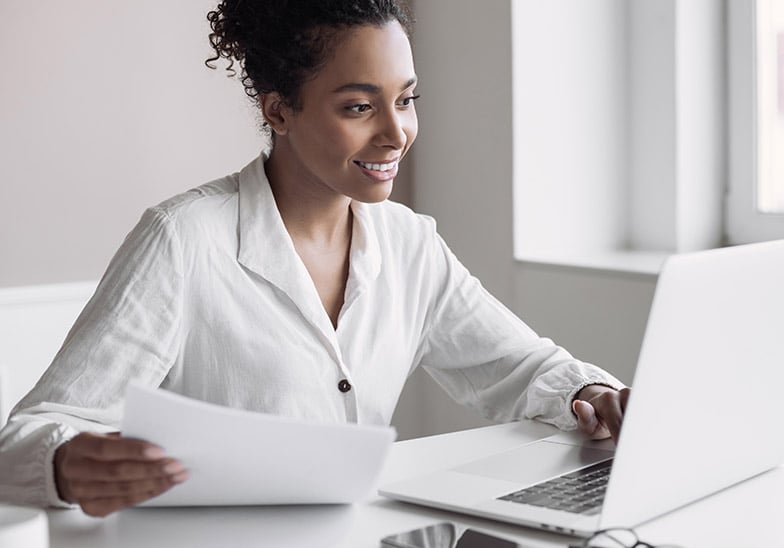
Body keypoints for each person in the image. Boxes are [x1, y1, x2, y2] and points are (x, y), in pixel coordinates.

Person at [0, 0, 628, 517]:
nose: (396, 132)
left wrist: (593, 391)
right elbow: (29, 434)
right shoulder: (183, 239)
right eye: (359, 107)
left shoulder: (409, 242)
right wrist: (66, 459)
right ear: (279, 110)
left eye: (405, 99)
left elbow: (517, 366)